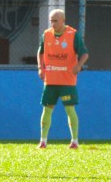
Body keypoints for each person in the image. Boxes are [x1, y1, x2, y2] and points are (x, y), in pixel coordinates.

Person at [37, 9, 89, 149]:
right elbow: (40, 52)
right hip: (50, 80)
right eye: (51, 21)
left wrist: (78, 65)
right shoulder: (47, 34)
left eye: (56, 21)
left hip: (67, 81)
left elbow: (84, 54)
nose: (53, 24)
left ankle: (74, 141)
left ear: (63, 20)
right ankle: (43, 141)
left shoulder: (73, 34)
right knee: (46, 110)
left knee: (69, 109)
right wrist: (40, 68)